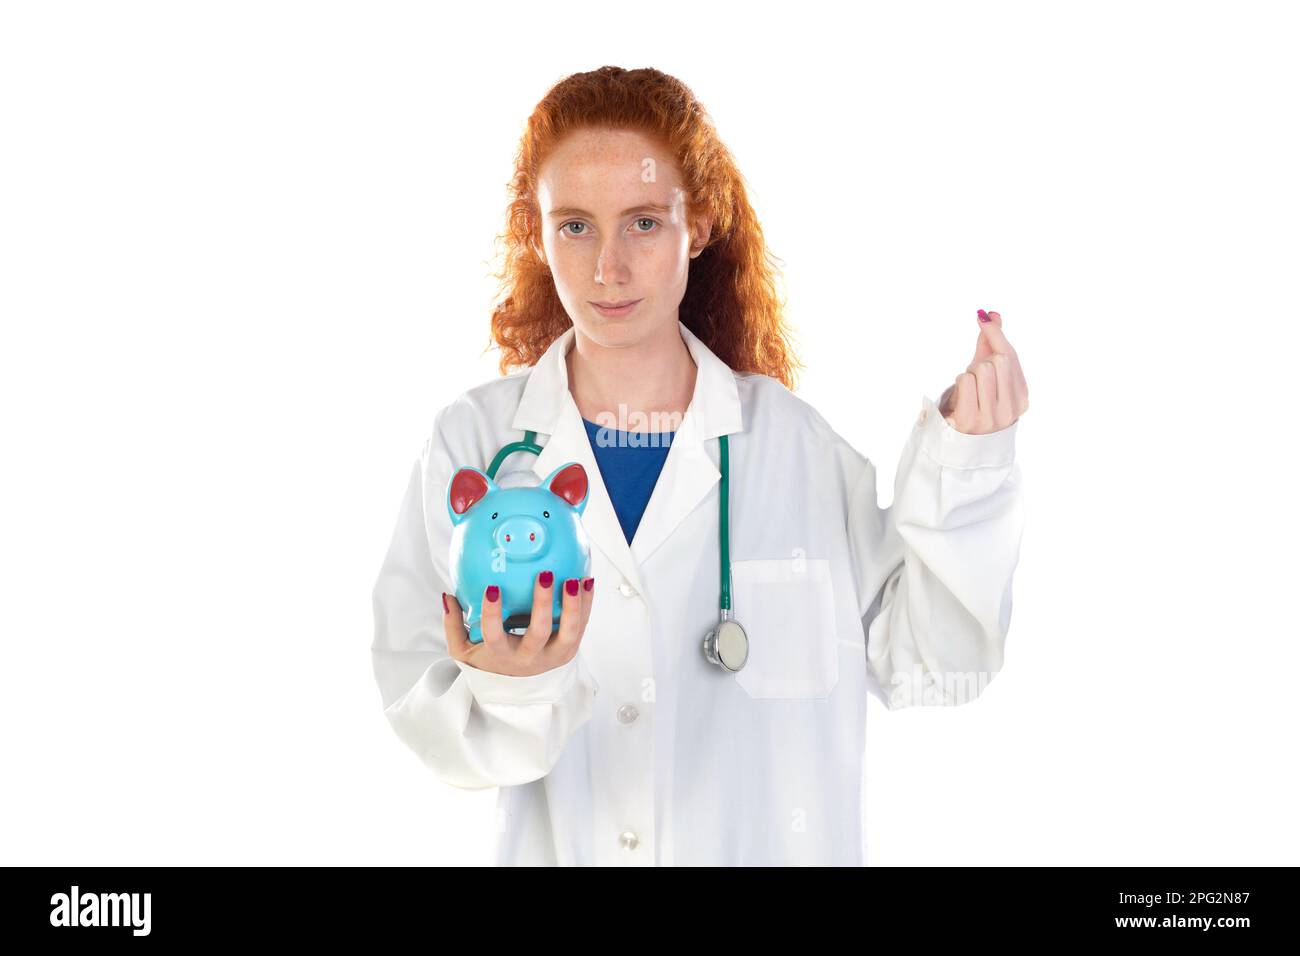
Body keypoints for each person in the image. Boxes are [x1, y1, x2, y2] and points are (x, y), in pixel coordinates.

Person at [370, 65, 1029, 866]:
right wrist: (514, 691)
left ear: (702, 224)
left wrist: (964, 467)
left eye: (643, 223)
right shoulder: (471, 443)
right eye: (574, 225)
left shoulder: (795, 450)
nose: (607, 267)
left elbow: (933, 666)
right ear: (536, 233)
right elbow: (426, 712)